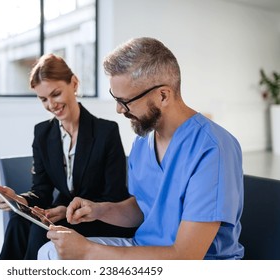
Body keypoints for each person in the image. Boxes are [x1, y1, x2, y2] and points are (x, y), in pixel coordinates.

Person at [38, 37, 245, 260]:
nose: (119, 109)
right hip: (145, 248)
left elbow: (186, 256)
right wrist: (98, 210)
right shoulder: (143, 139)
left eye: (125, 101)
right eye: (115, 98)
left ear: (163, 95)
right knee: (52, 253)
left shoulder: (212, 149)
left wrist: (89, 251)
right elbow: (142, 207)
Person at [0, 53, 136, 260]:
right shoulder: (42, 133)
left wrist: (66, 209)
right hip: (61, 214)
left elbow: (115, 194)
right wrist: (19, 199)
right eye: (43, 99)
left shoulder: (106, 131)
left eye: (56, 94)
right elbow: (41, 191)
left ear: (74, 83)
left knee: (41, 231)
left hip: (99, 217)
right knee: (17, 222)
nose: (51, 105)